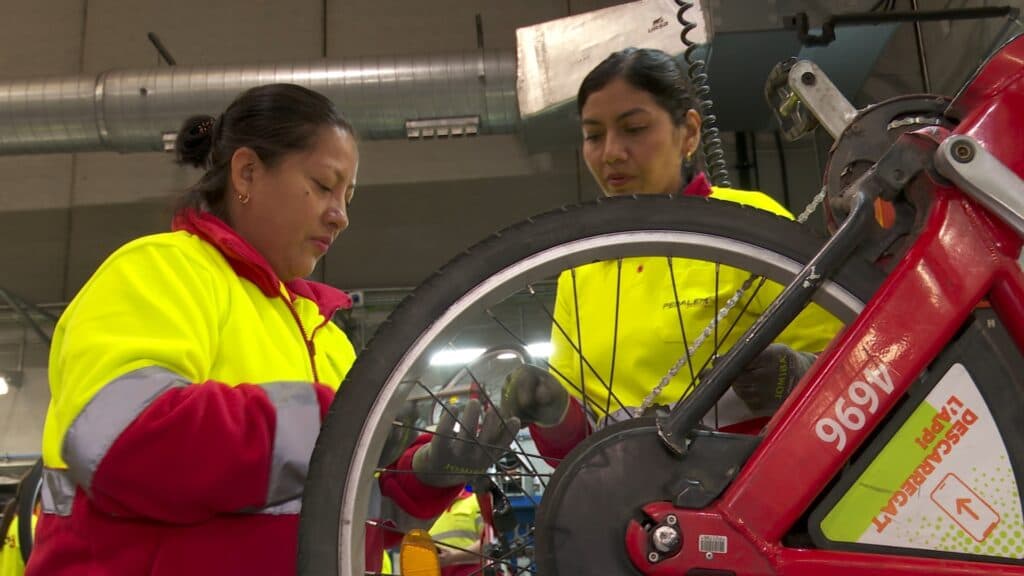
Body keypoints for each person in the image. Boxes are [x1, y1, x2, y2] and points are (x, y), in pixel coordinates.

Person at [27, 84, 361, 576]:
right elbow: (123, 442)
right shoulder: (161, 272)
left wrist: (419, 472)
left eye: (348, 196)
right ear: (247, 172)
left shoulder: (327, 336)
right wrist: (329, 424)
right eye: (323, 184)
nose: (341, 216)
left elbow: (350, 518)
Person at [498, 47, 844, 460]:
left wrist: (796, 374)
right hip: (634, 499)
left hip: (758, 484)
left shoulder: (750, 221)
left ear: (690, 133)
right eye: (593, 135)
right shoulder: (582, 271)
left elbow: (861, 363)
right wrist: (551, 413)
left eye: (634, 128)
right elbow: (575, 452)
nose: (610, 152)